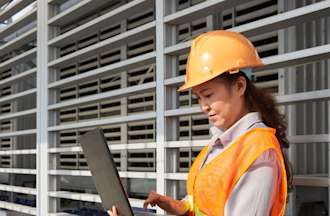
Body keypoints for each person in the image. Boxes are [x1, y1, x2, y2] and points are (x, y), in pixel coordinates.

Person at [108, 30, 292, 216]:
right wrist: (181, 207)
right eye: (198, 97)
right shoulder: (222, 141)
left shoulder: (258, 152)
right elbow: (209, 199)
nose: (203, 106)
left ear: (239, 86)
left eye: (208, 95)